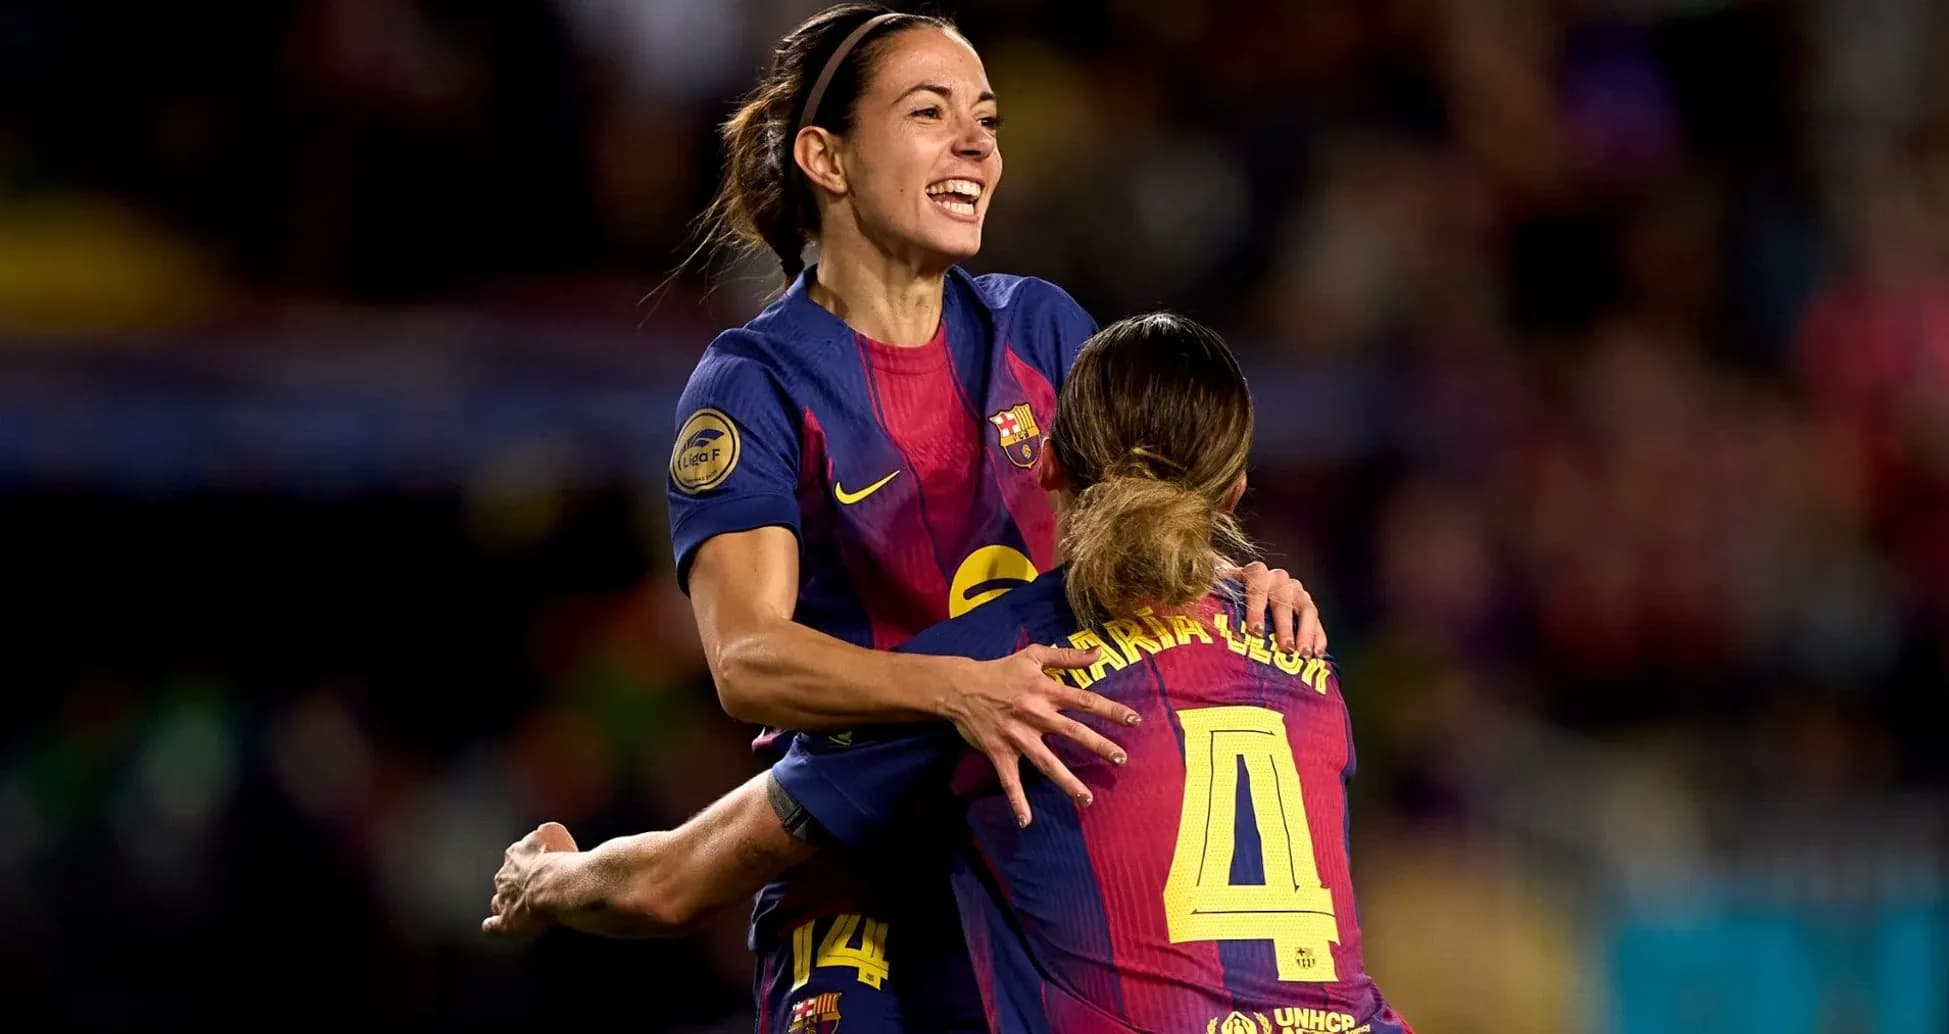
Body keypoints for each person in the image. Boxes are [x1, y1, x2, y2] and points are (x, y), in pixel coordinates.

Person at [653, 3, 1330, 1031]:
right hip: (856, 855)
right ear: (825, 158)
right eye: (930, 112)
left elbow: (1146, 529)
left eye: (987, 117)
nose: (976, 141)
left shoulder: (1042, 326)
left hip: (1043, 830)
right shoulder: (751, 384)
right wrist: (956, 691)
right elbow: (748, 657)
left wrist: (1232, 580)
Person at [487, 314, 1411, 1034]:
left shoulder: (994, 673)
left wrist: (549, 881)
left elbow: (674, 882)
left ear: (1043, 462)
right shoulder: (1300, 645)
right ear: (1238, 494)